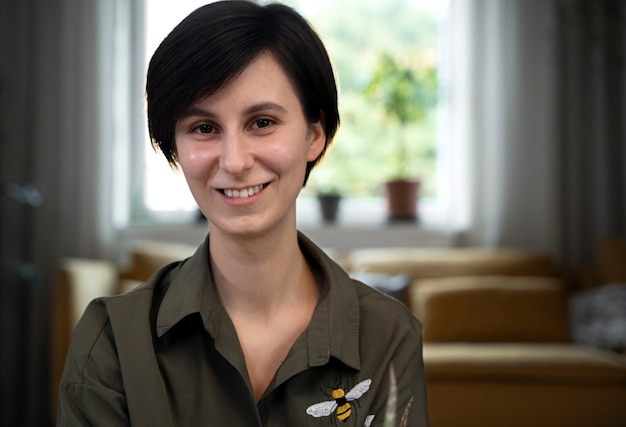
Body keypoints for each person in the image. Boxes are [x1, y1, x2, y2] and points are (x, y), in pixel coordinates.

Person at [57, 1, 429, 425]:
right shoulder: (111, 340)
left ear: (315, 134)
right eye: (204, 128)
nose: (234, 161)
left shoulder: (389, 335)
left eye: (262, 122)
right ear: (174, 145)